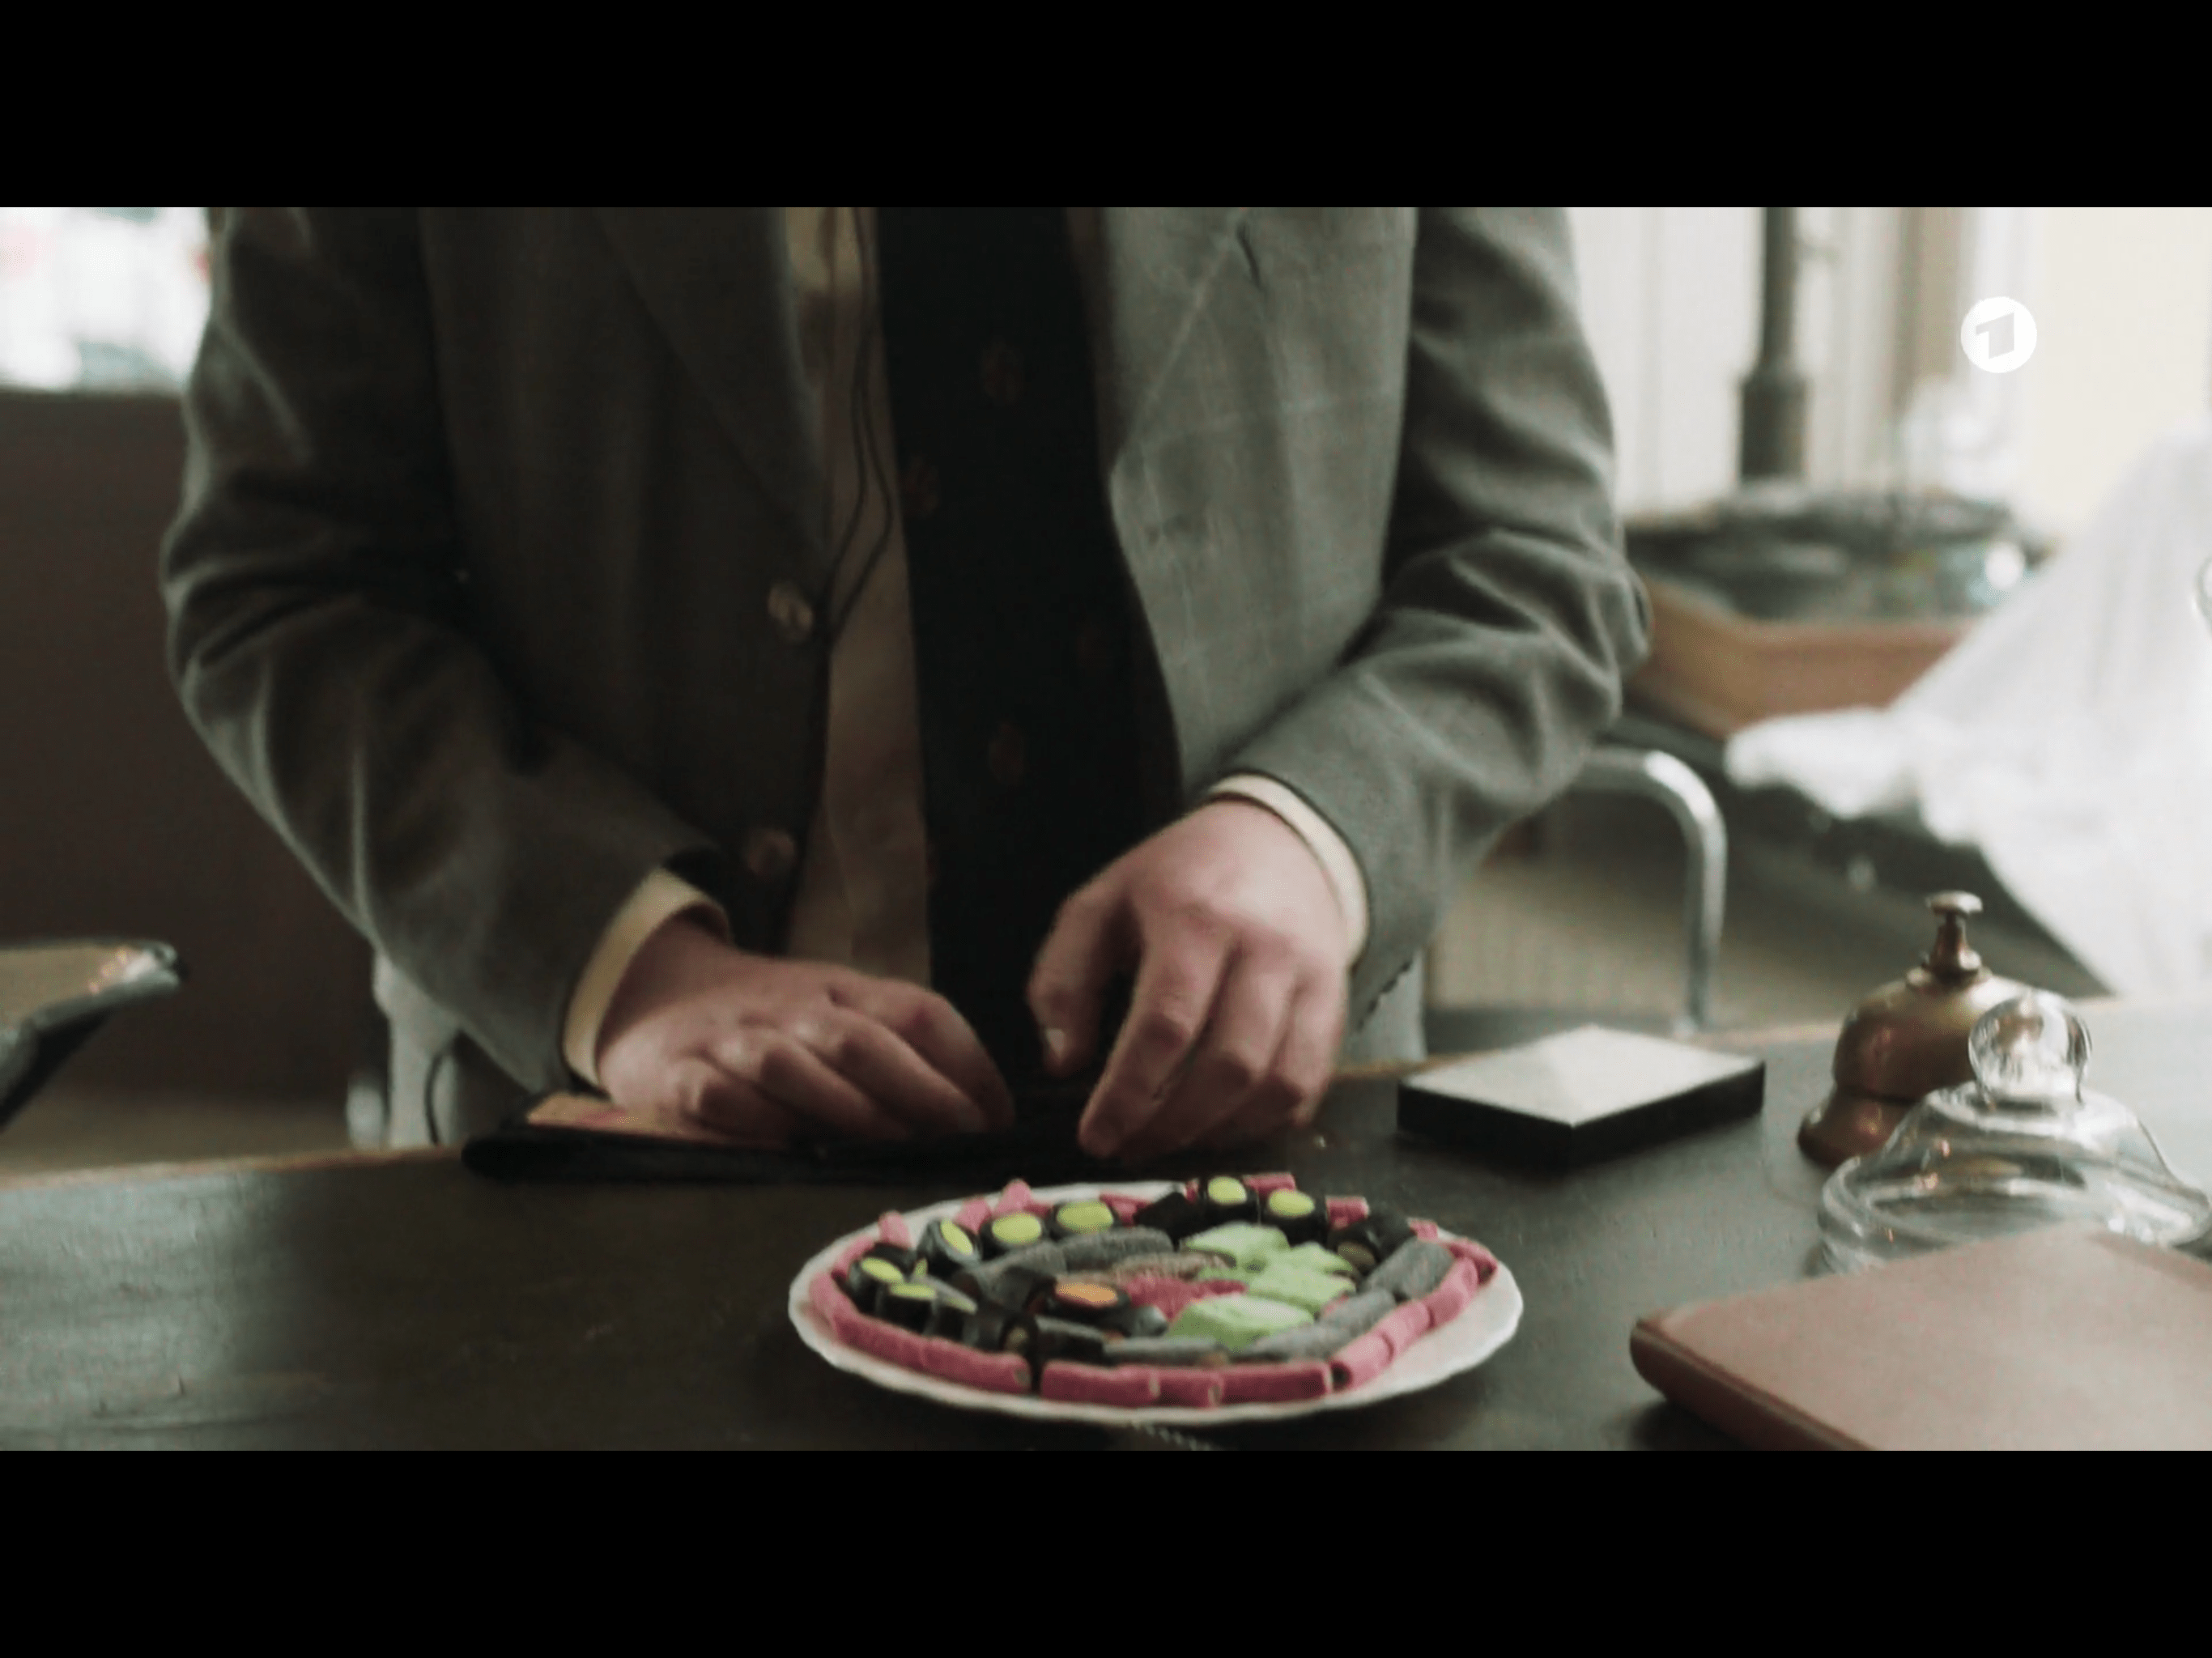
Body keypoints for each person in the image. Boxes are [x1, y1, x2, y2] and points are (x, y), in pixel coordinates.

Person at [161, 208, 1648, 1159]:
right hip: (622, 1156)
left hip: (1256, 1157)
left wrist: (1308, 832)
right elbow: (288, 585)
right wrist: (629, 966)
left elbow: (1529, 557)